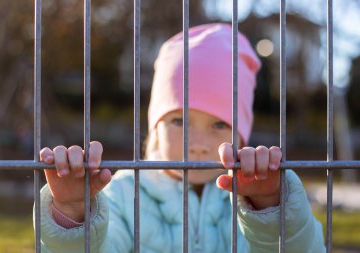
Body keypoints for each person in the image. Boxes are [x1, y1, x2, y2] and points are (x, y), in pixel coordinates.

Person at [35, 23, 325, 253]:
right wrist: (72, 213)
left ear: (241, 137)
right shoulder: (123, 196)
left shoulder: (255, 198)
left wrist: (269, 208)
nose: (197, 144)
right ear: (154, 127)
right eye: (179, 121)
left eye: (219, 125)